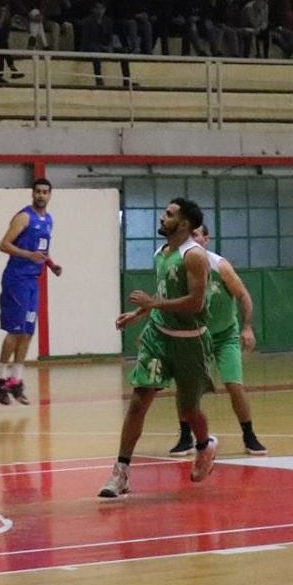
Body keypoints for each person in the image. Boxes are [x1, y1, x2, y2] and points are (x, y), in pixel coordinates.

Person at [99, 197, 218, 498]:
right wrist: (139, 314)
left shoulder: (194, 256)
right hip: (158, 336)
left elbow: (196, 302)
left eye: (169, 214)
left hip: (190, 342)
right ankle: (121, 472)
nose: (162, 217)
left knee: (189, 409)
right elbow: (162, 293)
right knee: (139, 401)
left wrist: (154, 304)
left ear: (185, 224)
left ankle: (205, 446)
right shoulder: (161, 252)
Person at [167, 222, 265, 457]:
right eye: (188, 236)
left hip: (224, 336)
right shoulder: (179, 266)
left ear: (206, 239)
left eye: (196, 235)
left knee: (234, 384)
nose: (192, 240)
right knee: (186, 388)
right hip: (195, 336)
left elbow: (243, 295)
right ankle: (185, 437)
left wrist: (248, 327)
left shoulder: (220, 266)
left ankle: (249, 435)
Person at [0, 179, 61, 406]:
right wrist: (28, 256)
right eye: (38, 192)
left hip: (33, 282)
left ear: (50, 195)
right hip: (16, 279)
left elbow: (41, 250)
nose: (41, 195)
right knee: (15, 330)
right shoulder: (24, 217)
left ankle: (15, 380)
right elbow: (4, 245)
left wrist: (51, 264)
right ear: (32, 194)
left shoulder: (48, 220)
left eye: (45, 192)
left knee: (28, 332)